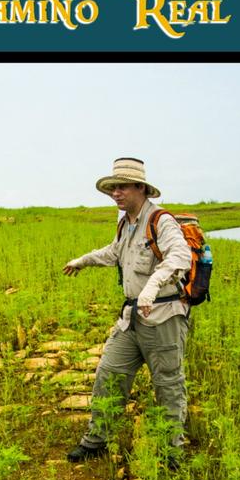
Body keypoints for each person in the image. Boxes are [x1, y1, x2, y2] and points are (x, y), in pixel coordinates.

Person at [63, 157, 192, 463]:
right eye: (112, 188)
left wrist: (151, 288)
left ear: (140, 188)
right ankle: (96, 440)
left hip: (163, 318)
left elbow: (180, 257)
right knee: (109, 373)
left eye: (121, 187)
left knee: (168, 384)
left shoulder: (161, 221)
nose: (116, 193)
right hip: (132, 318)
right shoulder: (126, 223)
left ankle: (172, 451)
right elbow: (113, 252)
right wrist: (83, 260)